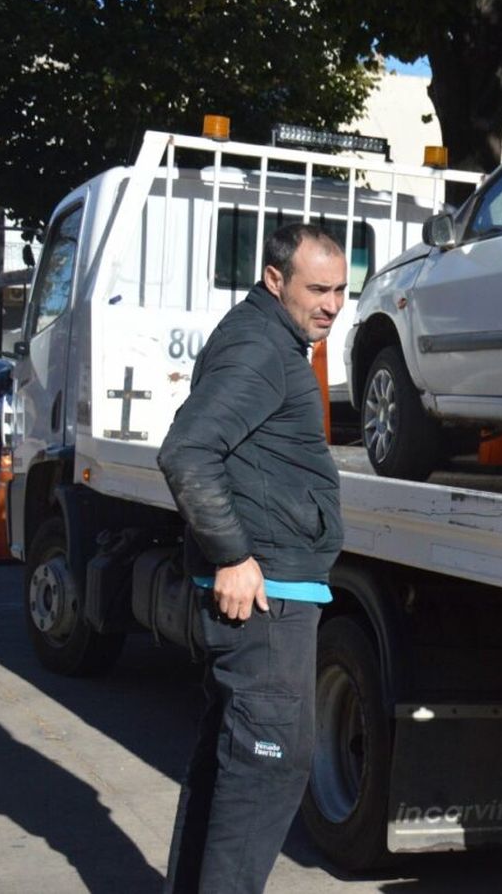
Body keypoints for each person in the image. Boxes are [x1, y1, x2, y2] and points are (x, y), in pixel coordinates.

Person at [157, 223, 348, 894]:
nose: (331, 304)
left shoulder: (270, 339)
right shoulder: (260, 346)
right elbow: (186, 452)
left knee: (236, 761)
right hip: (264, 597)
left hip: (279, 589)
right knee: (265, 767)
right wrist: (233, 555)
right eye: (317, 289)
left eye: (341, 291)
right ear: (275, 280)